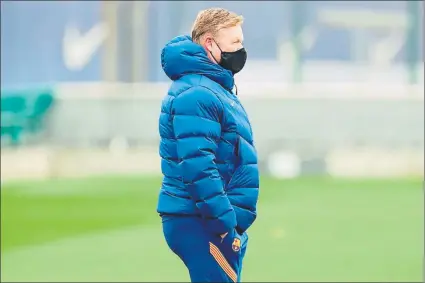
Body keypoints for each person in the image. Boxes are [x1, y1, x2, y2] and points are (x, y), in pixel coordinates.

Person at [157, 8, 260, 283]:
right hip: (201, 220)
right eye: (235, 42)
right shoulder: (198, 93)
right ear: (210, 44)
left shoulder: (214, 88)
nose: (241, 50)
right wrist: (225, 225)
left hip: (212, 220)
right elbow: (199, 166)